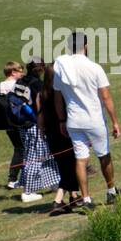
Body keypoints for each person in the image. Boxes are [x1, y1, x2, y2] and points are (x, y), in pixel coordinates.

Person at [53, 30, 121, 210]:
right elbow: (106, 97)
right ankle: (111, 190)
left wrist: (61, 120)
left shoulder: (61, 69)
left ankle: (86, 199)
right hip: (94, 119)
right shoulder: (94, 67)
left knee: (81, 159)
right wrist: (115, 121)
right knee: (104, 155)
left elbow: (58, 97)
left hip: (73, 120)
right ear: (86, 45)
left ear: (69, 46)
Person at [12, 62, 60, 203]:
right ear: (41, 69)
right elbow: (41, 105)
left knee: (42, 154)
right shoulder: (36, 84)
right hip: (34, 125)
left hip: (22, 125)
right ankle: (28, 191)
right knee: (36, 157)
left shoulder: (20, 81)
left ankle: (54, 183)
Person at [40, 60, 80, 215]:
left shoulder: (41, 94)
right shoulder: (62, 93)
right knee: (71, 167)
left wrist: (42, 131)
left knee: (65, 166)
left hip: (51, 135)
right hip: (65, 132)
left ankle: (74, 197)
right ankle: (57, 201)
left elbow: (40, 118)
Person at [0, 61, 25, 188]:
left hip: (7, 124)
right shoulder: (20, 84)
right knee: (24, 149)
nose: (23, 72)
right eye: (20, 70)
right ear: (13, 72)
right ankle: (14, 179)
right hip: (23, 122)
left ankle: (17, 178)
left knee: (18, 148)